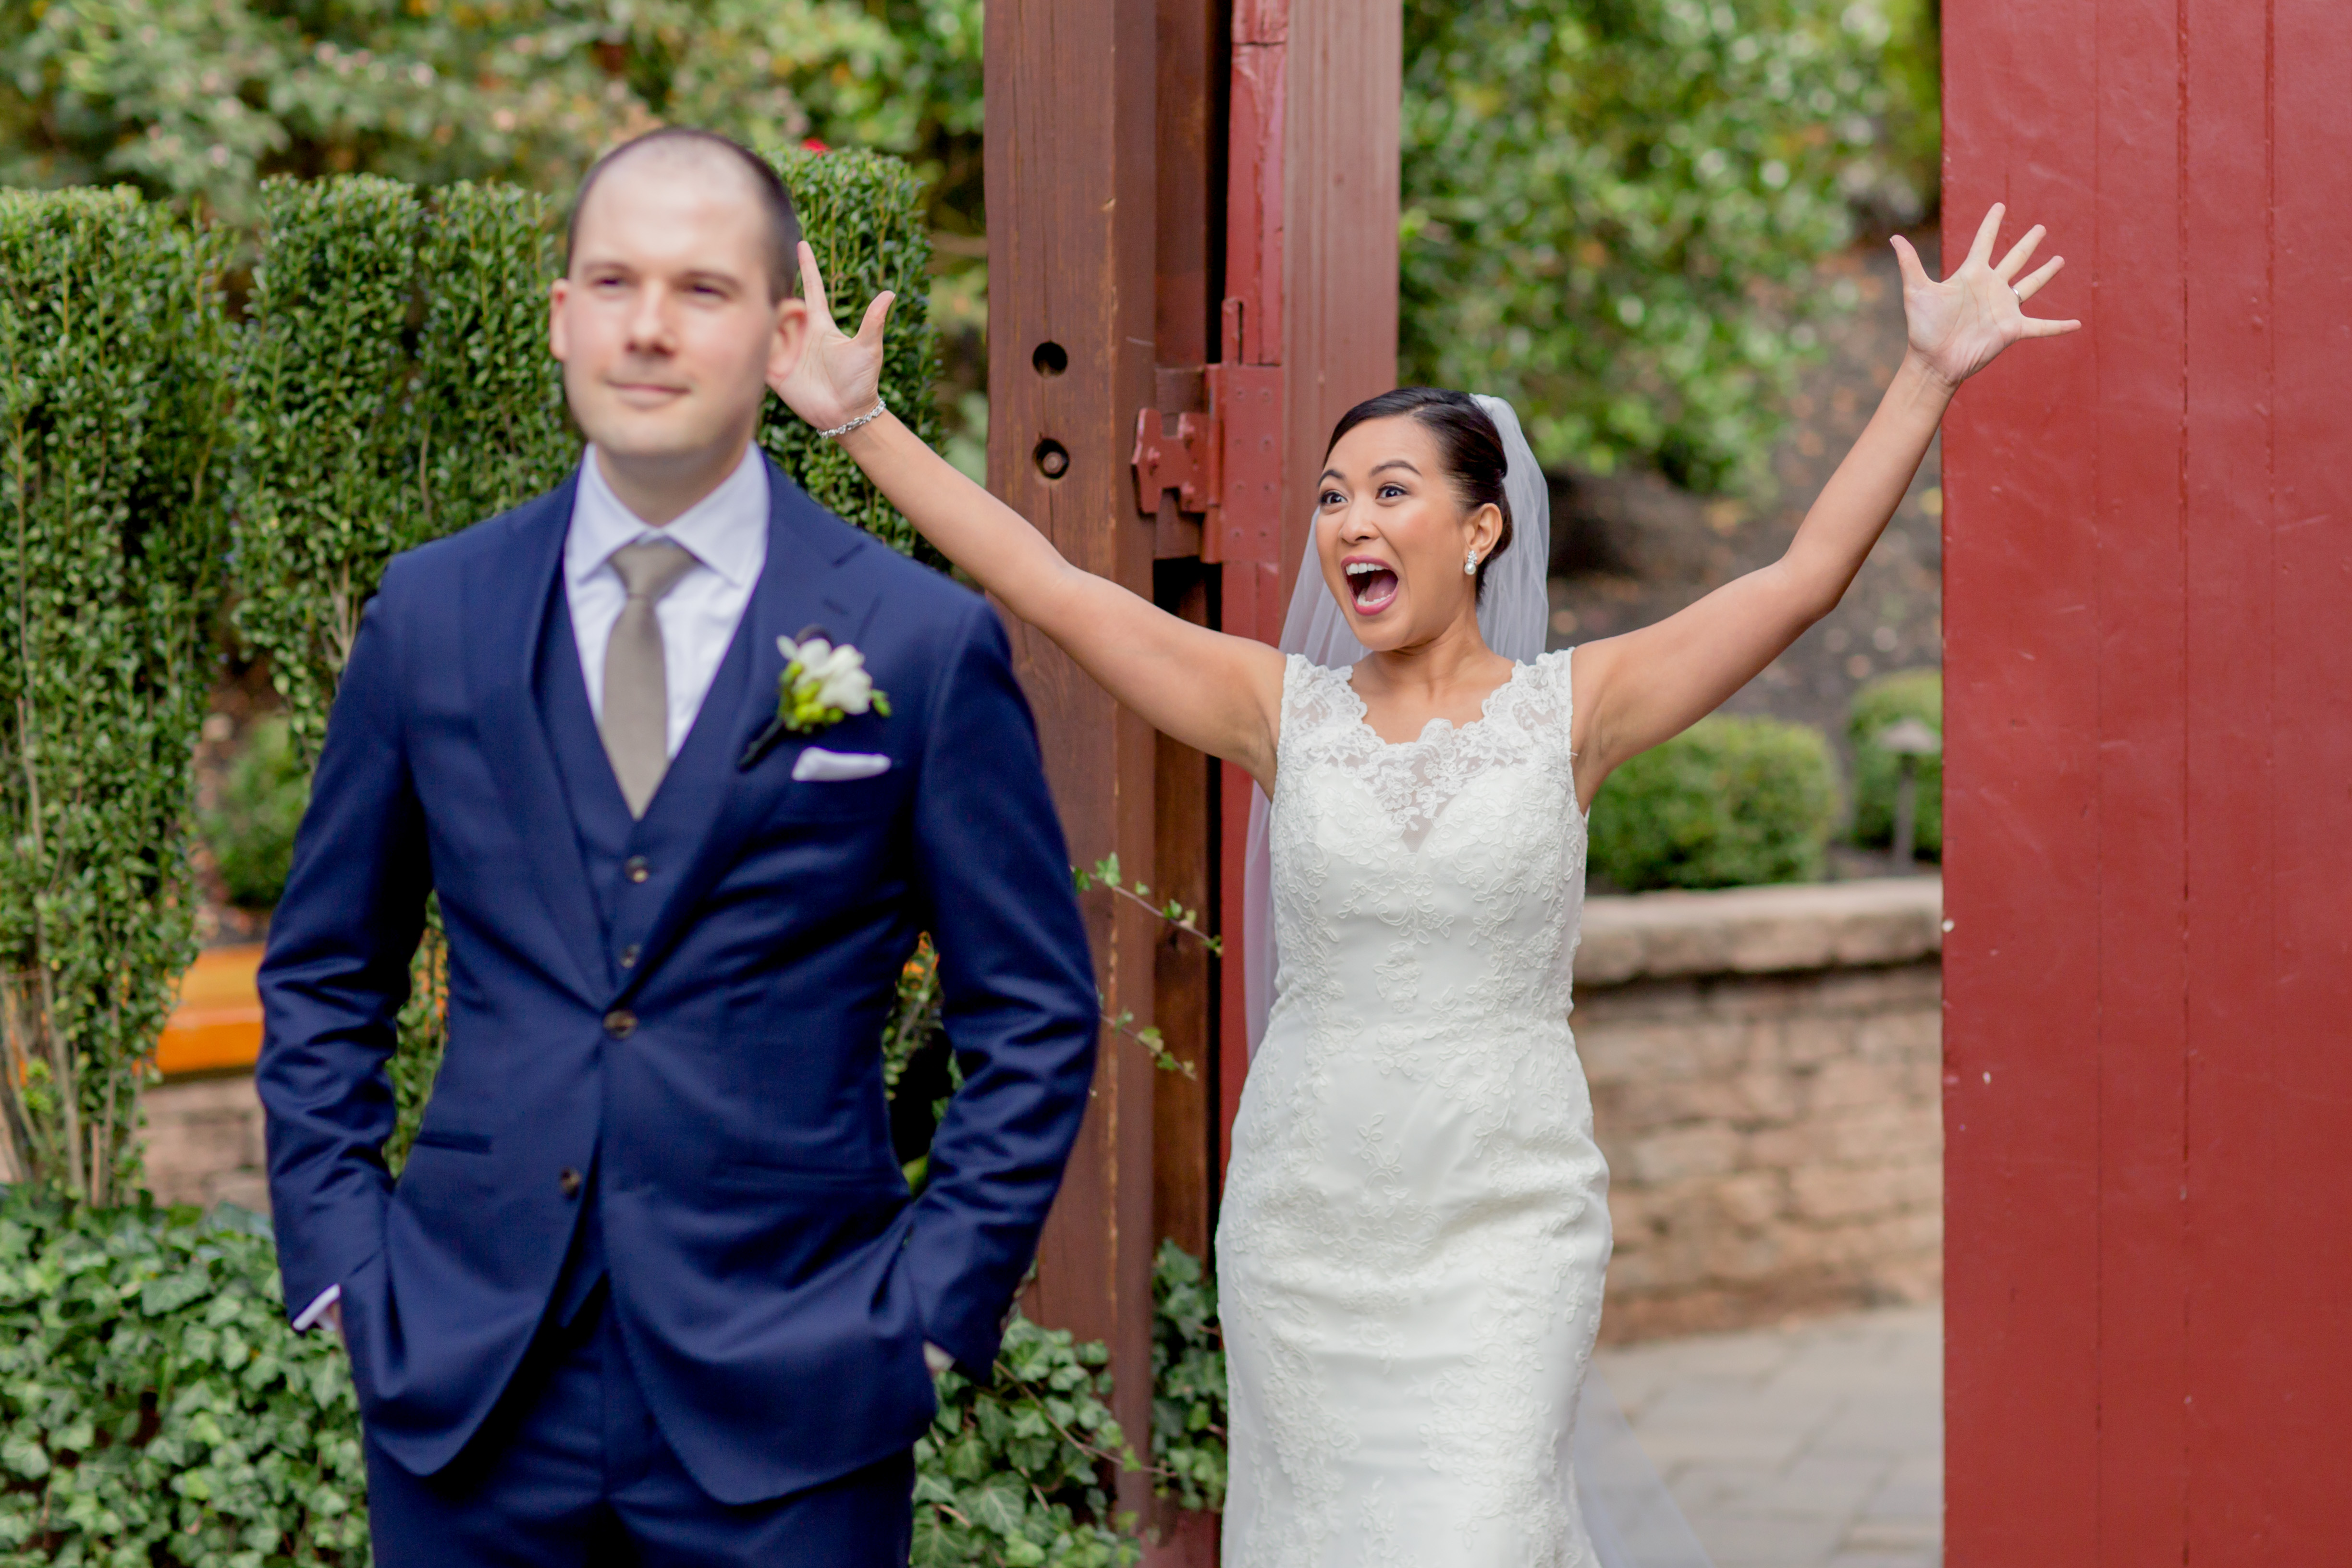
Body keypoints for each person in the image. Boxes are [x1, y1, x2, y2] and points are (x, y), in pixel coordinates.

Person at [772, 202, 2077, 1566]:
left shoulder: (1580, 709)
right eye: (1334, 497)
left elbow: (1804, 578)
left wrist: (1925, 372)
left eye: (1392, 490)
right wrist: (860, 422)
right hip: (1308, 1225)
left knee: (1483, 1528)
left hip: (1505, 1222)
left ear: (1481, 530)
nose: (1350, 524)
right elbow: (1051, 587)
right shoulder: (1285, 711)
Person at [255, 126, 1102, 1567]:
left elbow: (1031, 1016)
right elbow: (326, 972)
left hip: (799, 1395)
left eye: (702, 290)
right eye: (614, 281)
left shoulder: (916, 640)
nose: (649, 326)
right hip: (466, 1388)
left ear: (780, 332)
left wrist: (929, 1322)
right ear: (562, 316)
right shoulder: (433, 614)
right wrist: (348, 1272)